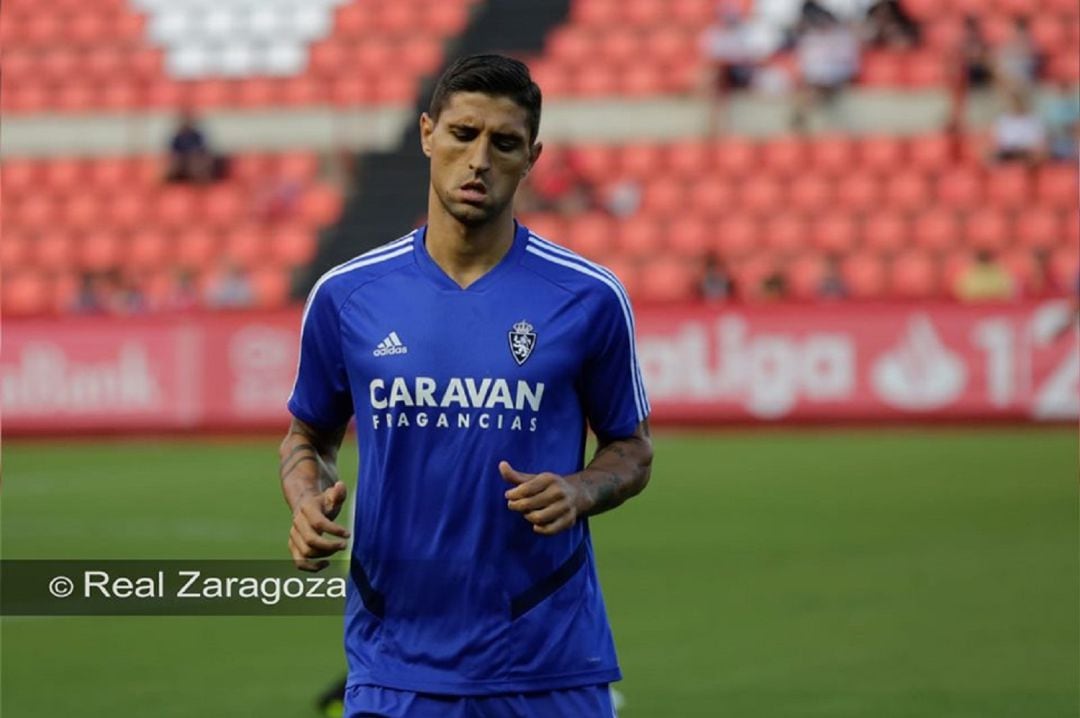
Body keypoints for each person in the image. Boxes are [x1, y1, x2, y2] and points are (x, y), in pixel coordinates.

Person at [280, 54, 653, 718]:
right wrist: (306, 499)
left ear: (531, 156)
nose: (479, 159)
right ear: (427, 134)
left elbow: (632, 448)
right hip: (395, 665)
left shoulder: (588, 297)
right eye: (463, 134)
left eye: (504, 143)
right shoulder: (346, 296)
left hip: (548, 662)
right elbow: (307, 434)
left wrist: (579, 488)